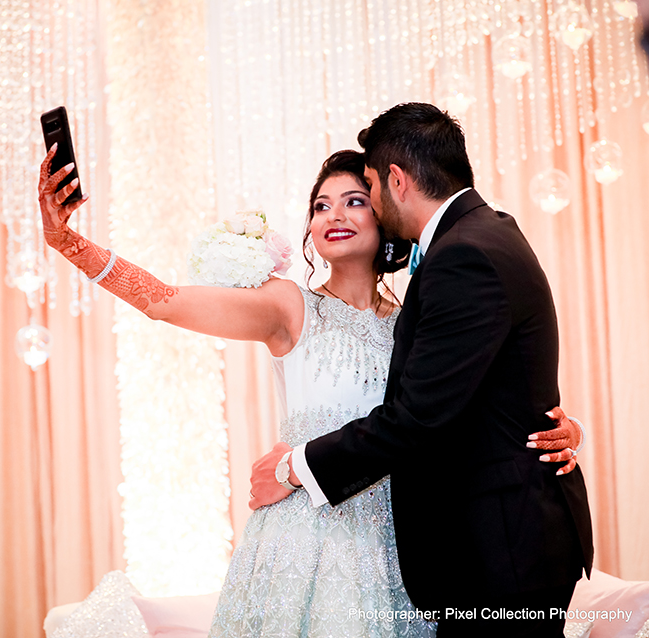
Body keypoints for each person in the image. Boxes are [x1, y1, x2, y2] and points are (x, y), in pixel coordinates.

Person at [38, 144, 583, 637]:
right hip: (305, 539)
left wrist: (560, 426)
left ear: (386, 211)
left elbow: (465, 404)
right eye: (321, 206)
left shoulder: (419, 314)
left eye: (354, 201)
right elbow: (164, 300)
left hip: (408, 541)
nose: (335, 216)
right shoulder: (288, 305)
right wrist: (68, 242)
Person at [249, 103, 594, 638]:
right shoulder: (491, 232)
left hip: (499, 550)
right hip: (501, 541)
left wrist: (296, 466)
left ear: (395, 180)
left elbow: (417, 418)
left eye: (364, 192)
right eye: (322, 206)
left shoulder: (463, 256)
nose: (349, 214)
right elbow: (500, 381)